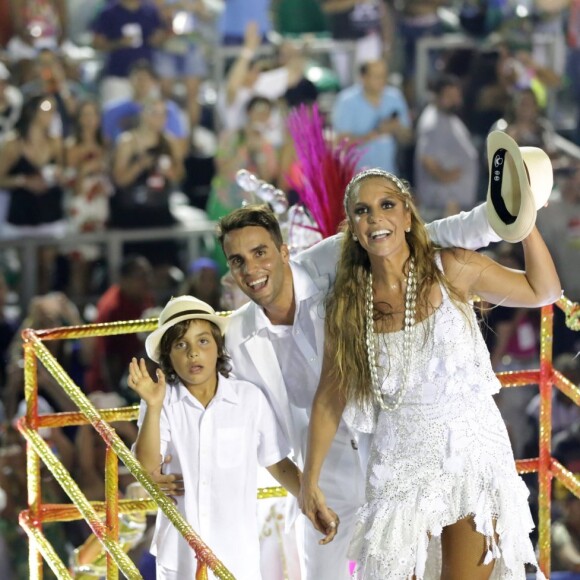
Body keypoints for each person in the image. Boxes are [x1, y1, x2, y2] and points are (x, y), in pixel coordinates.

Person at [210, 199, 501, 579]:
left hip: (396, 464)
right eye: (237, 261)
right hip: (322, 486)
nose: (251, 269)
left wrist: (502, 219)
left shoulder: (332, 260)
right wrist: (306, 490)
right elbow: (265, 442)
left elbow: (430, 234)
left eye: (260, 252)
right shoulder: (236, 340)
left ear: (283, 251)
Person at [298, 166, 561, 578]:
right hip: (399, 460)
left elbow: (543, 291)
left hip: (471, 452)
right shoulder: (347, 306)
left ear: (407, 215)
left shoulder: (452, 268)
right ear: (353, 229)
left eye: (387, 205)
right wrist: (309, 480)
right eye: (363, 211)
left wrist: (523, 219)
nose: (376, 218)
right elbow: (331, 395)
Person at [128, 295, 320, 579]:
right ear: (168, 356)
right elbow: (146, 466)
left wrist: (314, 504)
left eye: (203, 341)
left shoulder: (249, 399)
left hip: (235, 551)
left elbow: (277, 463)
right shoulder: (162, 400)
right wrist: (153, 407)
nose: (194, 353)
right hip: (181, 551)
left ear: (218, 347)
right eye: (181, 345)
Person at [332, 59, 412, 175]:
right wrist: (377, 132)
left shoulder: (395, 97)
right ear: (363, 77)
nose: (382, 81)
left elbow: (408, 138)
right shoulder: (347, 102)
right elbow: (341, 143)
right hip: (356, 177)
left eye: (384, 76)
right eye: (376, 76)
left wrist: (397, 128)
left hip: (388, 176)